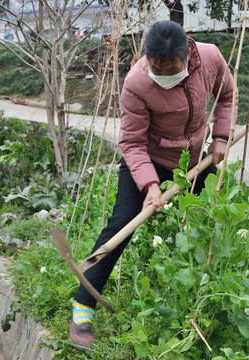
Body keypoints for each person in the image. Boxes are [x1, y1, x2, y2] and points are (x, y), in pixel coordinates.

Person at [69, 20, 237, 350]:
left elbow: (227, 93)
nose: (164, 76)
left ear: (187, 54)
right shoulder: (136, 83)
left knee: (213, 220)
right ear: (148, 58)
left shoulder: (210, 57)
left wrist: (220, 137)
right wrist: (150, 187)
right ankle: (82, 309)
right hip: (146, 160)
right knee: (122, 225)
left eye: (171, 69)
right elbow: (131, 142)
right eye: (157, 70)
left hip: (192, 162)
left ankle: (205, 304)